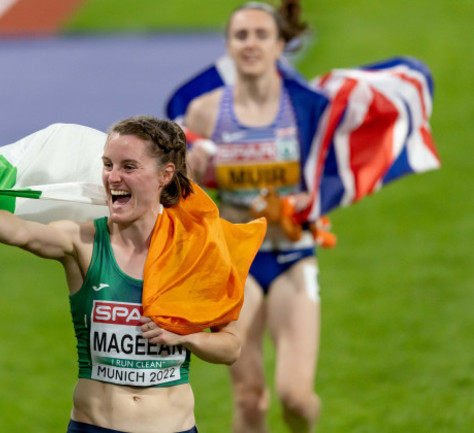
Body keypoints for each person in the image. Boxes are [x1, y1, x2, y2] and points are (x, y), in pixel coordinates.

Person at [0, 115, 242, 433]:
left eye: (129, 167)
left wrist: (184, 337)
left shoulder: (195, 252)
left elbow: (231, 347)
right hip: (94, 425)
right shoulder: (83, 242)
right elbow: (21, 232)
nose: (113, 178)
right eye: (108, 165)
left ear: (165, 175)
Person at [183, 2, 327, 432]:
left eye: (261, 35)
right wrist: (193, 168)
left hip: (293, 256)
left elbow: (330, 176)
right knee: (249, 399)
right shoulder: (205, 111)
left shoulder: (305, 108)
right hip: (235, 262)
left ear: (281, 44)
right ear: (228, 45)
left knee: (295, 398)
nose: (251, 44)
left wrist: (307, 203)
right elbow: (185, 199)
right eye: (241, 35)